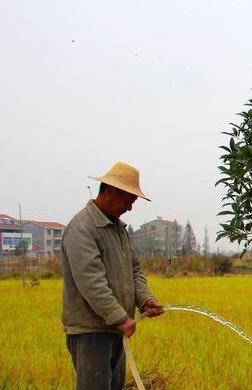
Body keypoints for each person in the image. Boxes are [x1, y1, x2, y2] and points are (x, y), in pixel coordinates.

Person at [61, 162, 164, 390]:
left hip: (115, 328)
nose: (129, 207)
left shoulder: (117, 229)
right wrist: (119, 317)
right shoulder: (83, 228)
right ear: (110, 191)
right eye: (128, 200)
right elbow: (90, 281)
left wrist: (145, 299)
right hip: (91, 331)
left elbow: (133, 270)